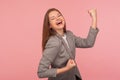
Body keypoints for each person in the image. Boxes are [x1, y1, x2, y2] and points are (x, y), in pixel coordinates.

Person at [37, 8, 99, 80]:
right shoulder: (53, 42)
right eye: (53, 18)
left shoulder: (69, 35)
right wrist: (66, 68)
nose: (57, 18)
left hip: (74, 76)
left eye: (59, 15)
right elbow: (41, 72)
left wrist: (94, 18)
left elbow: (88, 43)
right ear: (49, 25)